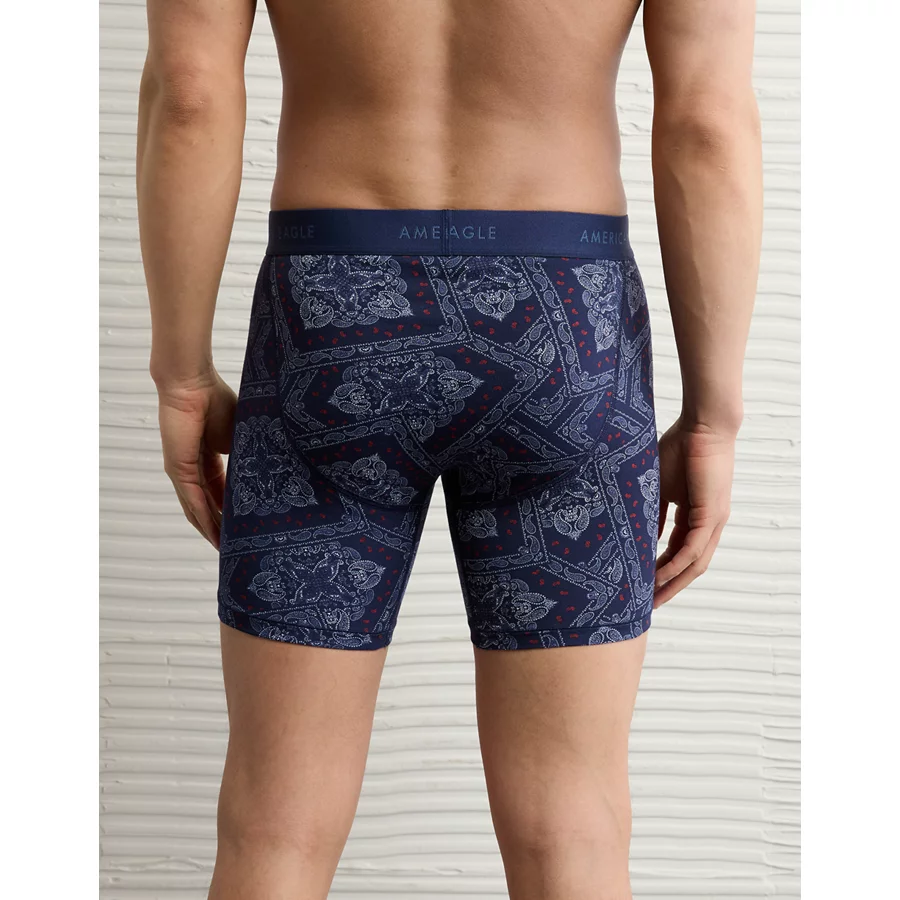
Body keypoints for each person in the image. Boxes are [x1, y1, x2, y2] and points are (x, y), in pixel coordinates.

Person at [136, 0, 761, 896]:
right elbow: (707, 124)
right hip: (566, 331)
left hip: (330, 318)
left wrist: (180, 372)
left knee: (276, 826)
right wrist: (714, 417)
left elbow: (190, 96)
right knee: (572, 828)